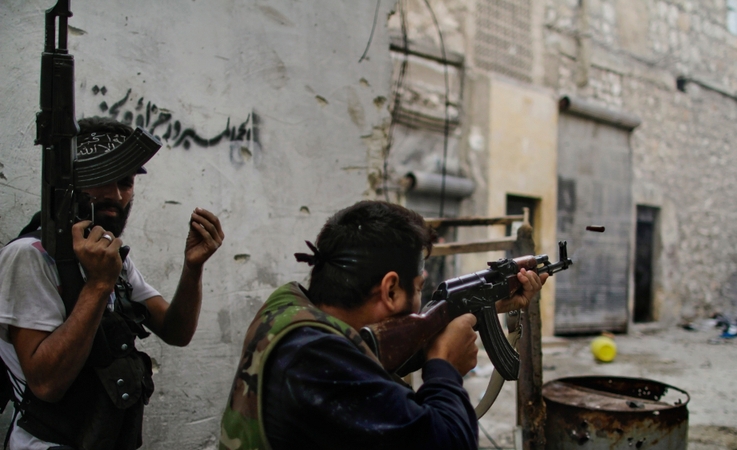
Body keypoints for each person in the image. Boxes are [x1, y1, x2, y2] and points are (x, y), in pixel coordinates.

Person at [219, 200, 546, 450]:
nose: (420, 299)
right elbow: (449, 441)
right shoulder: (314, 359)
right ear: (390, 290)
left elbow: (365, 351)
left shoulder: (289, 310)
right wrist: (444, 366)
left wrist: (485, 307)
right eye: (418, 287)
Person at [0, 116, 225, 450]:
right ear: (70, 182)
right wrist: (98, 285)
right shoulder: (29, 256)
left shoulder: (112, 258)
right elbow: (46, 385)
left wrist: (193, 267)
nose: (116, 195)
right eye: (102, 179)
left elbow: (176, 331)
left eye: (126, 182)